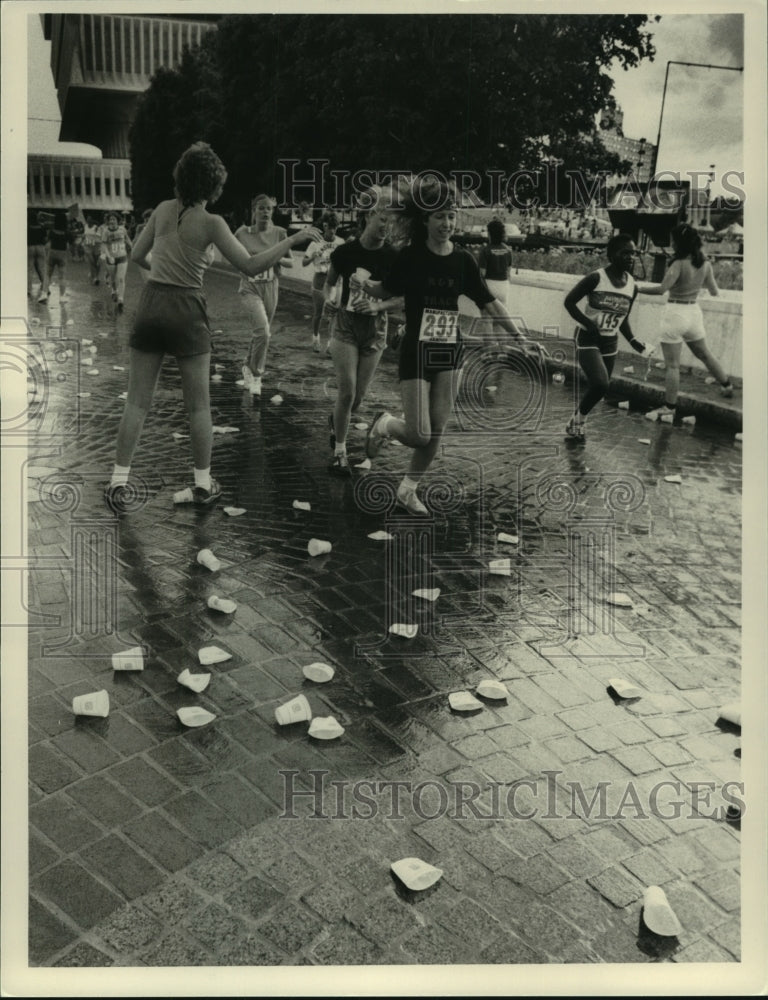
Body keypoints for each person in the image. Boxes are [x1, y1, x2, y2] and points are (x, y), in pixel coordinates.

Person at [104, 142, 320, 513]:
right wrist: (290, 239)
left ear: (180, 177)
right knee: (198, 407)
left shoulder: (161, 210)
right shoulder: (214, 223)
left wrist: (163, 274)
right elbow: (251, 266)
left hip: (154, 300)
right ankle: (203, 484)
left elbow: (138, 255)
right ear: (214, 186)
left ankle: (118, 482)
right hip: (187, 308)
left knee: (137, 401)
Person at [361, 177, 530, 515]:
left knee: (436, 429)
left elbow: (490, 304)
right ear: (425, 219)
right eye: (439, 216)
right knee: (418, 433)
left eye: (452, 216)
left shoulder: (464, 261)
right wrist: (362, 281)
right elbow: (385, 291)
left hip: (449, 351)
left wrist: (520, 337)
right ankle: (383, 424)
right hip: (417, 350)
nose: (447, 223)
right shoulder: (411, 256)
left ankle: (408, 490)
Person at [323, 189, 403, 476]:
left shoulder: (394, 257)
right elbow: (329, 283)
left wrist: (380, 305)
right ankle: (340, 453)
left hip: (376, 331)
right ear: (369, 216)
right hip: (345, 326)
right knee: (346, 392)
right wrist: (330, 298)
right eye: (382, 219)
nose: (386, 227)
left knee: (358, 397)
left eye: (391, 222)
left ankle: (336, 422)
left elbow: (402, 299)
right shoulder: (345, 252)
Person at [639, 222, 734, 418]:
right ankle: (726, 385)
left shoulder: (679, 263)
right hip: (694, 313)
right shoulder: (705, 264)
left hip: (675, 313)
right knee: (705, 354)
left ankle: (669, 408)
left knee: (672, 365)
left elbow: (662, 289)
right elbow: (715, 291)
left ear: (679, 242)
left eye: (673, 240)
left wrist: (637, 288)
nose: (672, 243)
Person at [563, 233, 648, 439]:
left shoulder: (632, 286)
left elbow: (623, 318)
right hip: (588, 338)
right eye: (625, 253)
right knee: (601, 383)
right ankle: (579, 421)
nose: (630, 258)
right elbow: (569, 302)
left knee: (600, 388)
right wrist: (587, 322)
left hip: (610, 341)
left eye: (633, 254)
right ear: (611, 255)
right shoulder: (596, 278)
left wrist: (634, 341)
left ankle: (577, 421)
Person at [236, 194, 294, 397]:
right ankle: (257, 375)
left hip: (271, 287)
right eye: (261, 208)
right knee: (263, 332)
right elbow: (234, 259)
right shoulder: (242, 233)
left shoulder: (280, 233)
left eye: (269, 208)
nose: (266, 212)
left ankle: (247, 366)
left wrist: (275, 259)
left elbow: (290, 262)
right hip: (250, 287)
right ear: (254, 210)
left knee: (261, 332)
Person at [302, 211, 344, 352]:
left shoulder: (340, 243)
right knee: (319, 313)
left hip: (336, 283)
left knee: (333, 315)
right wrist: (313, 256)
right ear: (325, 226)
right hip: (319, 282)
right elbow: (303, 262)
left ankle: (330, 343)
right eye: (330, 227)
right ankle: (315, 338)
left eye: (335, 227)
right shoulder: (316, 243)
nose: (332, 230)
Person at [477, 218, 513, 348]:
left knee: (487, 321)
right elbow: (509, 273)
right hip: (504, 286)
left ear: (490, 233)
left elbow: (482, 274)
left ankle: (489, 352)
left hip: (490, 286)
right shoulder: (508, 250)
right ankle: (502, 351)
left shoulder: (485, 251)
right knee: (500, 321)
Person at [101, 212, 133, 313]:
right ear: (107, 221)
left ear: (117, 220)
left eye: (114, 219)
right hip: (111, 258)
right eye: (110, 219)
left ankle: (121, 299)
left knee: (121, 278)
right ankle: (114, 290)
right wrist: (109, 256)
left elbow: (127, 238)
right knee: (113, 279)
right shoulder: (106, 231)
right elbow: (104, 245)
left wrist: (132, 246)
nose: (112, 221)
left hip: (122, 257)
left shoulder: (122, 229)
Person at [42, 208, 70, 303]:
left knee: (47, 275)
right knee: (62, 277)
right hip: (62, 254)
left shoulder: (52, 231)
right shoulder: (67, 232)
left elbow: (47, 240)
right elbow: (72, 242)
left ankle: (44, 293)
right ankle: (62, 296)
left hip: (52, 253)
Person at [27, 210, 49, 302]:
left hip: (30, 247)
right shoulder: (41, 227)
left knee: (29, 269)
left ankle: (28, 290)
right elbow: (45, 239)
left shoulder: (27, 227)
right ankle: (46, 289)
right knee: (42, 269)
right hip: (40, 247)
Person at [83, 216, 103, 285]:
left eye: (90, 220)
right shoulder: (85, 226)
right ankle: (94, 277)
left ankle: (96, 276)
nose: (88, 221)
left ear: (92, 221)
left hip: (96, 246)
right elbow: (85, 235)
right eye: (87, 220)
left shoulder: (96, 227)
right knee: (91, 261)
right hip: (88, 246)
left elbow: (100, 236)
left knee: (97, 263)